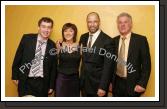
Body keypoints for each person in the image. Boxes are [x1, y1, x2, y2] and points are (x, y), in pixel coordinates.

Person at [12, 17, 57, 97]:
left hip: (42, 84)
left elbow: (53, 68)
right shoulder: (26, 38)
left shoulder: (52, 45)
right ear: (38, 27)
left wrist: (51, 85)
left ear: (51, 29)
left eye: (49, 27)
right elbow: (18, 57)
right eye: (43, 26)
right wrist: (14, 75)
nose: (46, 30)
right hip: (25, 81)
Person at [111, 12, 151, 97]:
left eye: (125, 22)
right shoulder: (113, 41)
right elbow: (110, 64)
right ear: (117, 25)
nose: (122, 25)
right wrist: (110, 82)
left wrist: (142, 84)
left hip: (134, 85)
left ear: (131, 24)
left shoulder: (141, 40)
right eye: (120, 22)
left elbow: (146, 65)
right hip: (116, 84)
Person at [79, 12, 115, 97]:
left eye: (95, 21)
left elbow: (108, 67)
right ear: (87, 23)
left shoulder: (108, 40)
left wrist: (103, 87)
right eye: (89, 22)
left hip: (98, 86)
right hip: (83, 84)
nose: (92, 24)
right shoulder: (83, 37)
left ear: (99, 22)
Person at [55, 23, 80, 97]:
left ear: (75, 32)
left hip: (75, 80)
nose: (68, 33)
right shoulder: (58, 44)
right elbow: (53, 62)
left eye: (71, 31)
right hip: (61, 79)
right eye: (65, 31)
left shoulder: (80, 45)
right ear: (63, 33)